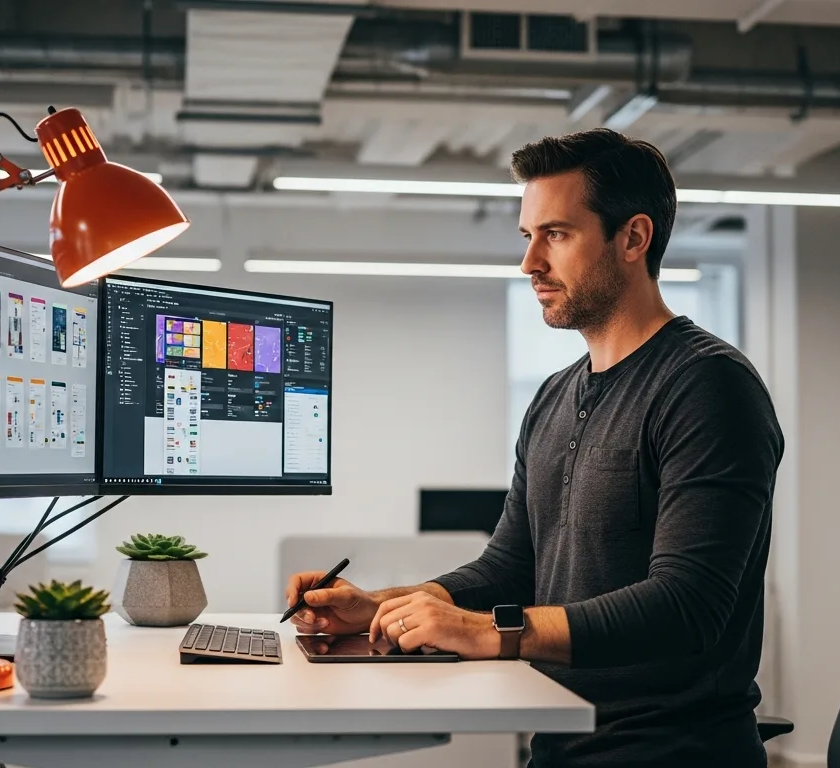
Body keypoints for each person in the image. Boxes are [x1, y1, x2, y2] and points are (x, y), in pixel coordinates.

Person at [285, 128, 783, 768]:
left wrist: (485, 632)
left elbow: (687, 605)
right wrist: (381, 608)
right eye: (529, 237)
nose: (530, 264)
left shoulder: (708, 386)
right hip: (561, 742)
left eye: (557, 234)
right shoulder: (554, 396)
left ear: (632, 238)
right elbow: (510, 568)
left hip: (668, 752)